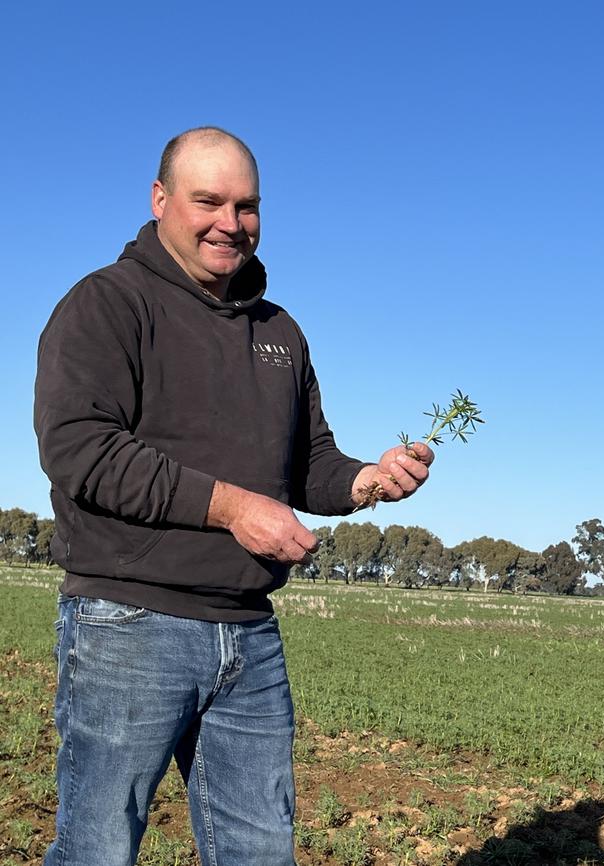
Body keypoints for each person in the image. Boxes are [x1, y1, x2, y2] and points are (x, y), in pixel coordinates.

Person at [34, 126, 433, 866]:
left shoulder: (280, 331)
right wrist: (232, 507)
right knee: (96, 851)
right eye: (208, 201)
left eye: (247, 205)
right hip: (128, 624)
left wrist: (367, 482)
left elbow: (306, 461)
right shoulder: (106, 305)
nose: (230, 222)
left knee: (258, 853)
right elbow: (80, 450)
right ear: (160, 200)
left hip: (249, 636)